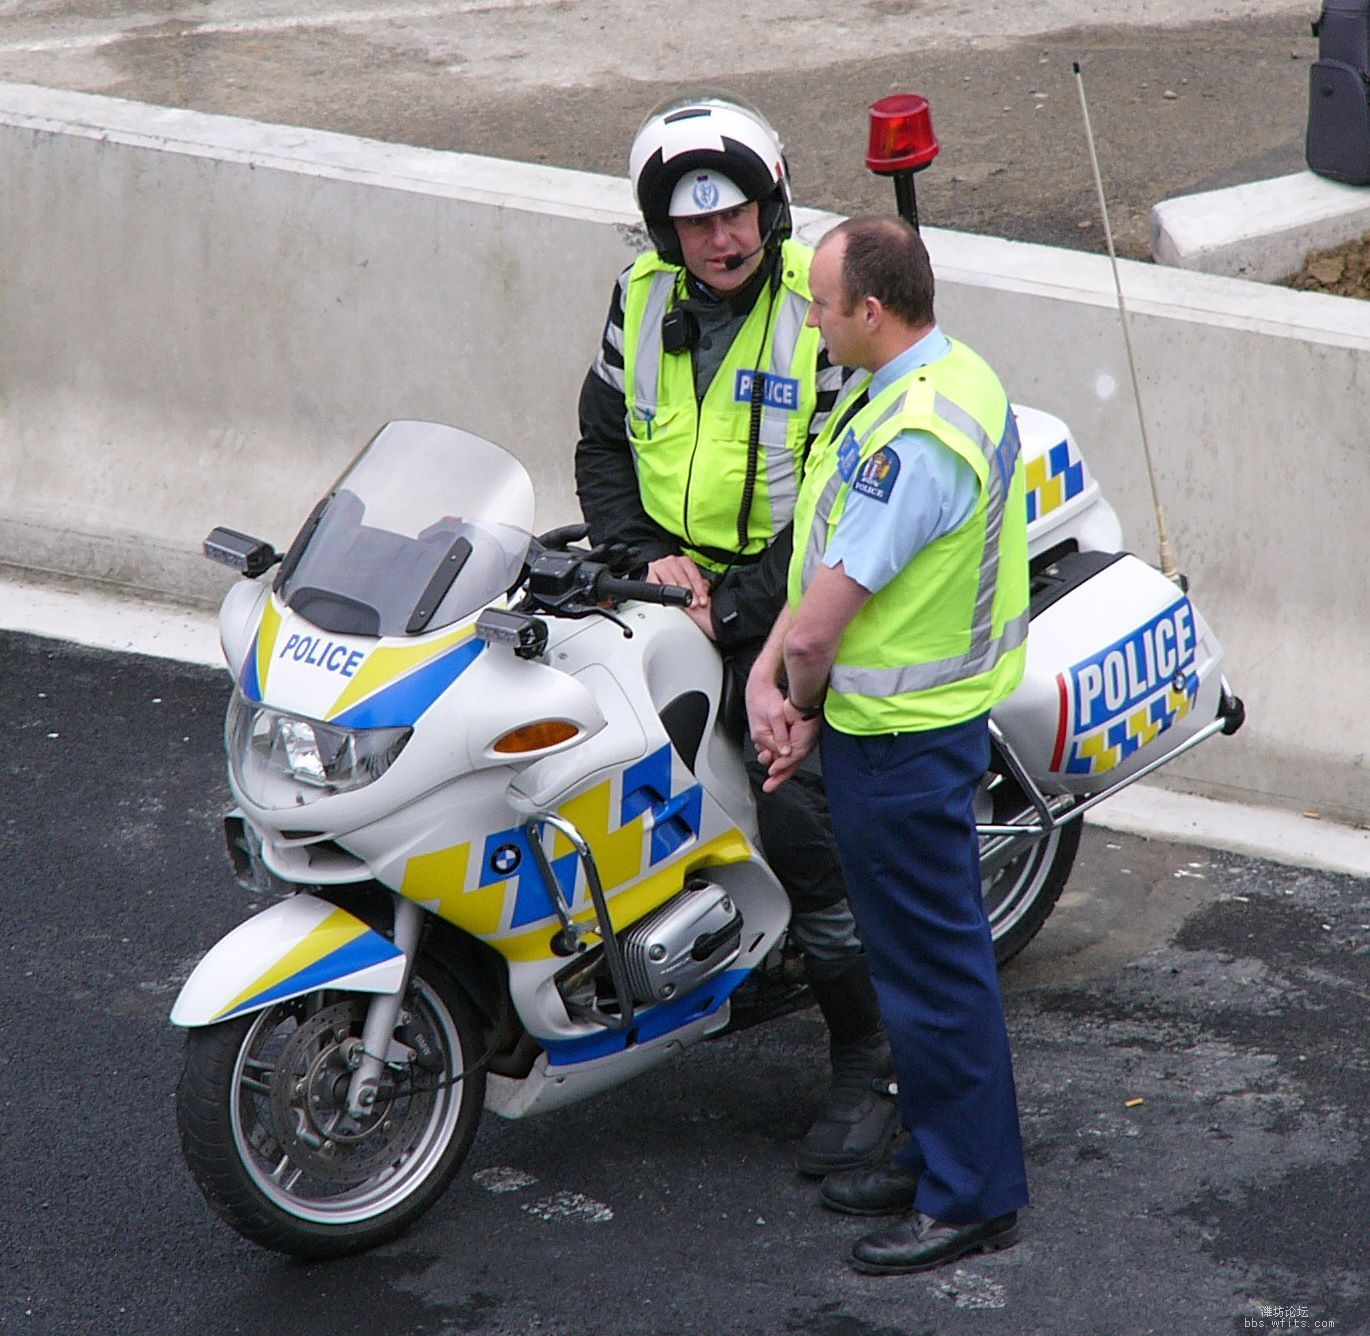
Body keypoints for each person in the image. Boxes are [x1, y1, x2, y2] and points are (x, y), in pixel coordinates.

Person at [575, 94, 899, 1176]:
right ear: (663, 232)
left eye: (739, 215)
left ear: (771, 209)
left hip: (798, 594)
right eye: (694, 222)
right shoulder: (640, 294)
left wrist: (741, 603)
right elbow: (602, 441)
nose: (719, 239)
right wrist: (637, 559)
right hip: (673, 584)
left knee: (786, 794)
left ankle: (869, 1055)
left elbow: (841, 499)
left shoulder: (825, 306)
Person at [746, 215, 1031, 1274]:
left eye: (820, 305)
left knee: (930, 970)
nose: (809, 321)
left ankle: (969, 1195)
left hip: (902, 741)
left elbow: (823, 622)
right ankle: (932, 1153)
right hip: (899, 732)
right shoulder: (935, 378)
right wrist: (766, 667)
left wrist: (790, 694)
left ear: (871, 311)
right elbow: (824, 558)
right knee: (916, 962)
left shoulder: (913, 435)